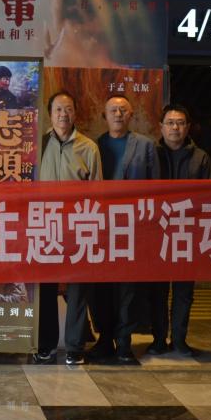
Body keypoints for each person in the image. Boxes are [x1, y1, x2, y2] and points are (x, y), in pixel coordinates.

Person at [36, 90, 103, 366]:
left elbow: (98, 193)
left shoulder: (88, 148)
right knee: (45, 288)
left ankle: (75, 347)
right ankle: (46, 344)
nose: (63, 114)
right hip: (43, 226)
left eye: (68, 109)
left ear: (76, 113)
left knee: (78, 289)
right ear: (50, 115)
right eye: (58, 110)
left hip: (78, 226)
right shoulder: (38, 144)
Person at [94, 94, 160, 362]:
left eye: (123, 110)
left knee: (128, 290)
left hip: (133, 228)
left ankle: (124, 343)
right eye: (113, 110)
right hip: (101, 228)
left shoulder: (146, 145)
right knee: (102, 288)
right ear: (105, 116)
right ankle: (104, 340)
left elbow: (156, 188)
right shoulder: (94, 145)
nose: (118, 114)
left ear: (131, 115)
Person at [147, 104, 211, 356]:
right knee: (157, 291)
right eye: (170, 123)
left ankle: (179, 339)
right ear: (161, 127)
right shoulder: (150, 154)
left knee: (184, 292)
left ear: (188, 127)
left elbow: (209, 198)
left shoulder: (201, 158)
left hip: (188, 233)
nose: (175, 128)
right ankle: (158, 339)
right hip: (157, 233)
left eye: (180, 123)